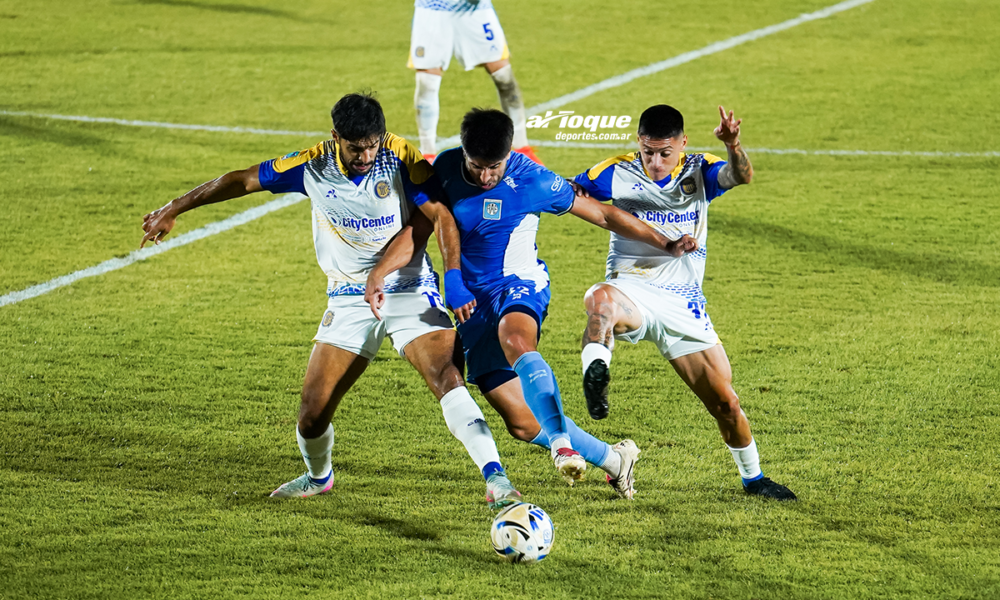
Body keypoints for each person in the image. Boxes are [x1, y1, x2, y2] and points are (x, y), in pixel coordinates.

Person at [139, 93, 524, 508]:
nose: (366, 155)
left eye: (373, 144)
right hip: (348, 297)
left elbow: (439, 217)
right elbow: (242, 180)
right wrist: (175, 207)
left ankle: (496, 479)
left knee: (446, 376)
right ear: (335, 137)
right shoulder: (311, 165)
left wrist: (450, 279)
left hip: (408, 286)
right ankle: (318, 476)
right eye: (356, 147)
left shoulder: (399, 157)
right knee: (311, 413)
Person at [416, 108, 693, 499]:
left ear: (509, 154)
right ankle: (615, 461)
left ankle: (562, 442)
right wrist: (453, 279)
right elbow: (437, 222)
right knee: (523, 424)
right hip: (471, 303)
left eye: (493, 167)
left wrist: (665, 242)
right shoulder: (445, 167)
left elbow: (603, 214)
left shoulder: (531, 179)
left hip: (520, 284)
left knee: (516, 340)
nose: (484, 176)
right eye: (476, 166)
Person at [570, 104, 797, 501]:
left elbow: (740, 175)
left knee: (726, 403)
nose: (655, 163)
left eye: (664, 153)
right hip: (633, 287)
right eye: (647, 152)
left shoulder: (700, 169)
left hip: (684, 301)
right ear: (638, 143)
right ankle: (596, 376)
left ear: (683, 144)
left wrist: (733, 144)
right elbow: (570, 194)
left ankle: (754, 479)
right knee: (599, 298)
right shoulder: (612, 172)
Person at [408, 0, 542, 164]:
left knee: (505, 78)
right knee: (427, 83)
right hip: (433, 9)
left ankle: (522, 149)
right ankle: (428, 155)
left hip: (474, 9)